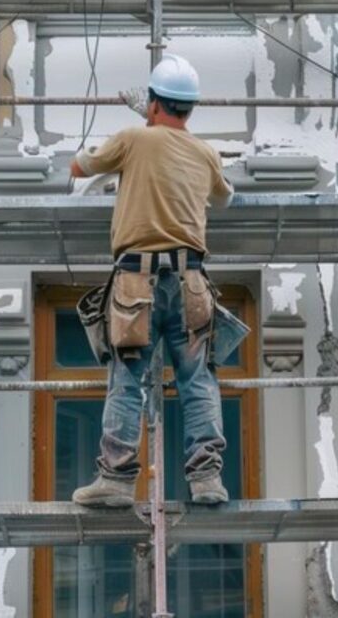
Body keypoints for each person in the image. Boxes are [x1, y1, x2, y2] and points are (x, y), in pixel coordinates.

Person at [70, 53, 234, 508]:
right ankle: (206, 480)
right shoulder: (205, 153)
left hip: (136, 282)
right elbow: (224, 198)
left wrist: (141, 127)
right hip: (190, 282)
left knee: (127, 379)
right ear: (191, 108)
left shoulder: (132, 139)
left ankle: (117, 481)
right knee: (197, 379)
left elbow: (79, 168)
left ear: (155, 103)